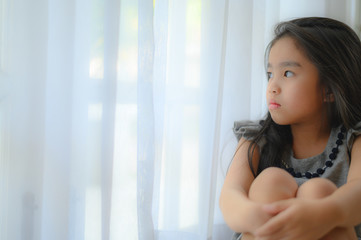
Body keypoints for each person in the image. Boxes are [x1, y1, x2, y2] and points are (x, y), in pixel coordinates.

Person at [219, 17, 361, 240]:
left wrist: (322, 214)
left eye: (287, 73)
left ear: (330, 90)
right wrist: (256, 215)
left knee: (318, 192)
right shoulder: (256, 138)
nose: (272, 87)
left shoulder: (354, 139)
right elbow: (230, 196)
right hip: (265, 233)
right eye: (270, 74)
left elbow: (358, 193)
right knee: (271, 181)